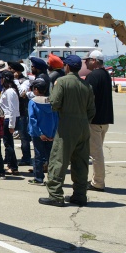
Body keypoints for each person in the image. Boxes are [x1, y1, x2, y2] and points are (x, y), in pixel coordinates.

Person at [40, 54, 95, 207]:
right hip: (83, 126)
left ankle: (55, 195)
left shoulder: (62, 82)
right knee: (81, 162)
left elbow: (55, 103)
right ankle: (80, 195)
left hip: (67, 125)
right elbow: (92, 110)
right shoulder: (86, 85)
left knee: (58, 160)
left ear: (68, 67)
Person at [84, 49, 113, 192]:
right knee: (97, 152)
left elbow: (87, 97)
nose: (85, 63)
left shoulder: (93, 76)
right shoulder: (105, 75)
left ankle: (98, 182)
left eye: (87, 60)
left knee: (96, 154)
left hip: (94, 120)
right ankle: (96, 179)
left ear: (94, 60)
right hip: (104, 120)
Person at [27, 78, 57, 185]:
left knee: (38, 156)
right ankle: (52, 178)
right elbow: (56, 118)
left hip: (37, 134)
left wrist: (40, 133)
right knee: (51, 157)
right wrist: (53, 133)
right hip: (50, 133)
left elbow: (32, 119)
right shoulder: (51, 102)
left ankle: (38, 178)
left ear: (36, 89)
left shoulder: (32, 102)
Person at [10, 61, 32, 167]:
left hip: (22, 112)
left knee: (24, 136)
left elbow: (21, 93)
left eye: (11, 69)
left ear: (17, 72)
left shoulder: (25, 81)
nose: (9, 71)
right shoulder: (9, 81)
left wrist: (15, 81)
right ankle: (9, 157)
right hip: (12, 111)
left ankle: (26, 158)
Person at [0, 73, 21, 175]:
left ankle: (13, 166)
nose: (0, 80)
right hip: (7, 118)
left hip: (8, 119)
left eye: (1, 78)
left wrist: (12, 125)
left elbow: (12, 109)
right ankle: (11, 165)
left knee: (8, 144)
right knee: (8, 143)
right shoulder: (6, 90)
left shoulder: (10, 91)